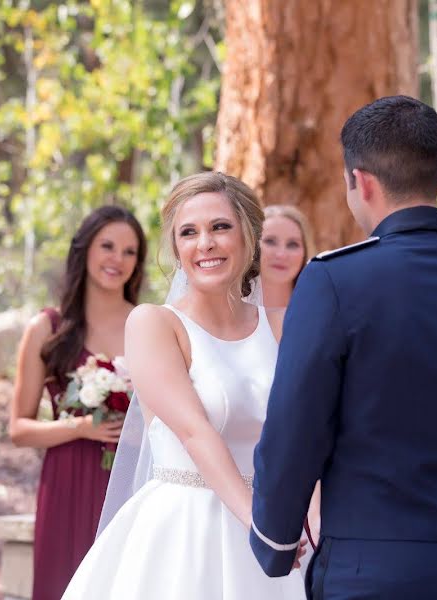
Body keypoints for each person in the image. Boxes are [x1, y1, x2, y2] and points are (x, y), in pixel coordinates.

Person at [249, 95, 437, 599]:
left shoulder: (334, 280)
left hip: (367, 568)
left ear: (360, 182)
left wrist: (273, 542)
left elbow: (295, 427)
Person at [61, 172, 306, 599]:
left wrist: (311, 524)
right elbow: (195, 431)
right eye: (188, 232)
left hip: (276, 527)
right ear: (175, 247)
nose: (204, 243)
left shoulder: (285, 326)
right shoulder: (154, 323)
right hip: (186, 529)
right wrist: (259, 524)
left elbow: (305, 438)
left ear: (248, 235)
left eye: (220, 227)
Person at [9, 205, 146, 600]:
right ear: (84, 250)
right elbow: (19, 429)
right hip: (66, 481)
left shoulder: (148, 324)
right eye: (107, 246)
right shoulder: (47, 328)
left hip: (132, 478)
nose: (116, 259)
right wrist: (80, 428)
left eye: (129, 251)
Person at [260, 204, 315, 308]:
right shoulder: (225, 312)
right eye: (270, 241)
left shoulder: (324, 315)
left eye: (292, 244)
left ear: (305, 252)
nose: (281, 255)